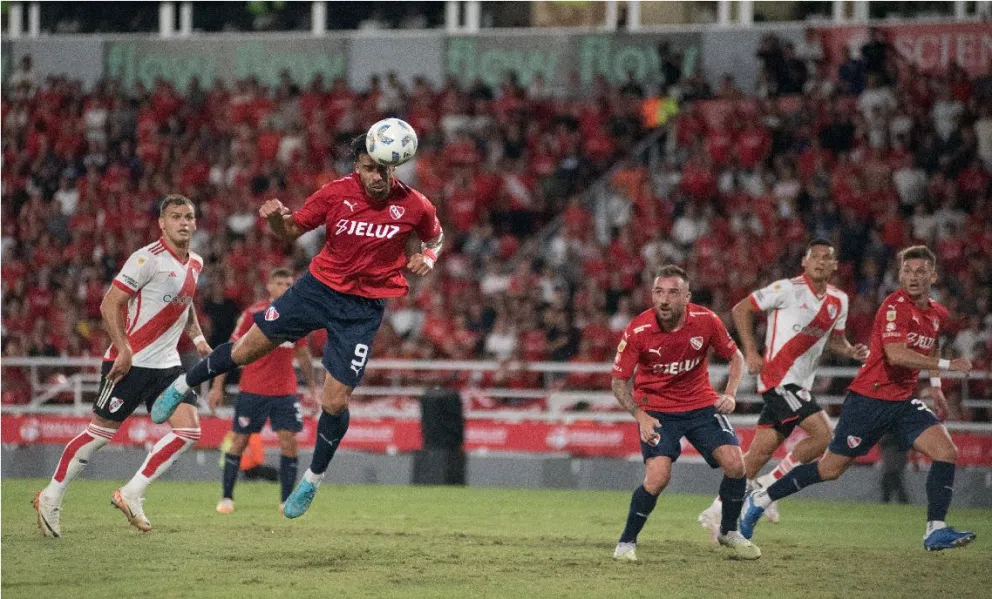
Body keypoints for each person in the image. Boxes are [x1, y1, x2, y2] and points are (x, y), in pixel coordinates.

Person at [152, 135, 443, 519]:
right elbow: (289, 233)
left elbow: (435, 236)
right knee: (243, 352)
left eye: (383, 169)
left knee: (335, 402)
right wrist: (275, 218)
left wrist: (428, 255)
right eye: (369, 168)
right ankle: (181, 385)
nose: (377, 176)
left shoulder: (414, 204)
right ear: (357, 166)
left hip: (363, 309)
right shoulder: (335, 193)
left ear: (393, 166)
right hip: (316, 290)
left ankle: (312, 479)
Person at [740, 246, 976, 551]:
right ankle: (761, 498)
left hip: (902, 402)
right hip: (869, 400)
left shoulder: (936, 313)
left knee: (946, 452)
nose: (913, 277)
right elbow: (896, 354)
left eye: (920, 271)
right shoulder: (894, 307)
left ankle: (936, 529)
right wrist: (948, 367)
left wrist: (936, 386)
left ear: (933, 275)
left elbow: (932, 345)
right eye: (907, 271)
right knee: (830, 470)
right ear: (900, 274)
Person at [33, 195, 209, 537]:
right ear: (162, 223)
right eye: (176, 217)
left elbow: (185, 304)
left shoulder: (196, 263)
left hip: (167, 365)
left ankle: (131, 492)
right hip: (130, 363)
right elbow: (109, 303)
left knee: (189, 431)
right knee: (99, 435)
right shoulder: (146, 259)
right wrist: (125, 349)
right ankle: (50, 497)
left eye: (189, 216)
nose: (184, 222)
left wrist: (198, 339)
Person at [698, 239, 867, 537]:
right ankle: (768, 486)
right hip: (778, 379)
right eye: (814, 256)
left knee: (756, 456)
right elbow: (741, 309)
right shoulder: (787, 289)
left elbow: (836, 340)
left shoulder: (839, 300)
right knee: (824, 434)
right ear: (804, 261)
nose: (820, 261)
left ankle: (715, 511)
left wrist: (851, 351)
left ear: (835, 265)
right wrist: (750, 351)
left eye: (827, 257)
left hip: (800, 383)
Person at [611, 265, 760, 562]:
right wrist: (640, 415)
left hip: (700, 405)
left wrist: (730, 393)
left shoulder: (706, 321)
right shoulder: (638, 330)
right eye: (659, 292)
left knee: (735, 463)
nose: (664, 300)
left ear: (687, 297)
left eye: (672, 293)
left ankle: (729, 532)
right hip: (657, 409)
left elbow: (736, 357)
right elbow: (617, 382)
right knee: (657, 476)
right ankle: (626, 542)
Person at [208, 268, 318, 514]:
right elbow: (231, 348)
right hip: (253, 389)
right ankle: (226, 497)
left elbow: (302, 354)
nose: (284, 287)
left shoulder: (298, 315)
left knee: (289, 443)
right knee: (239, 441)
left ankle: (286, 500)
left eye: (288, 283)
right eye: (279, 283)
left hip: (285, 390)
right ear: (269, 286)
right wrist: (218, 385)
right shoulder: (253, 314)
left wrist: (313, 388)